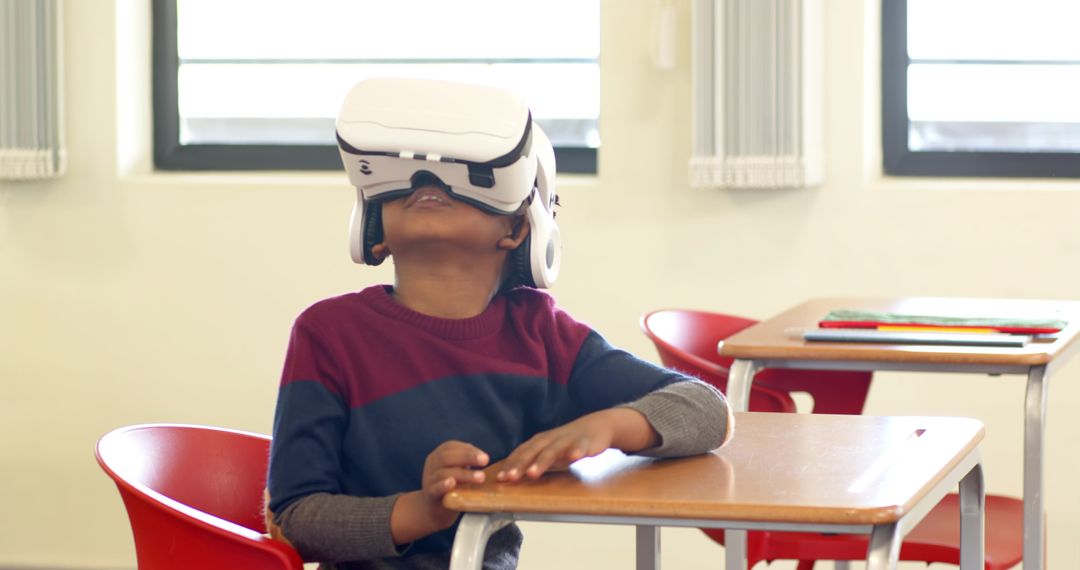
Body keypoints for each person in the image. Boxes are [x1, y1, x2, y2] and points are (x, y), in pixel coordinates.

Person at [266, 78, 734, 570]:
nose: (427, 180)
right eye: (406, 177)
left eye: (460, 171)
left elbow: (708, 410)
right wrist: (423, 511)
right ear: (373, 228)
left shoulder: (540, 335)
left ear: (517, 228)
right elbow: (296, 519)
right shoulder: (328, 333)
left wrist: (606, 427)